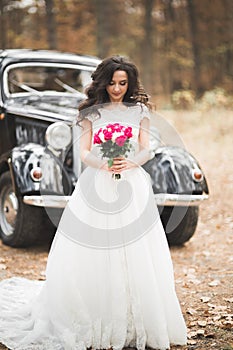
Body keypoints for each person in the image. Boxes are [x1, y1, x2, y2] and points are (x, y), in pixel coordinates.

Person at [0, 56, 187, 350]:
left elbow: (146, 148)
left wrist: (129, 162)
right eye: (112, 83)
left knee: (134, 247)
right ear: (102, 83)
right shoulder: (91, 113)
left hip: (132, 182)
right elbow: (84, 151)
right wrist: (102, 163)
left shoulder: (139, 111)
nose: (117, 89)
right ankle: (94, 315)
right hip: (97, 181)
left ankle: (134, 315)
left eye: (123, 83)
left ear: (130, 83)